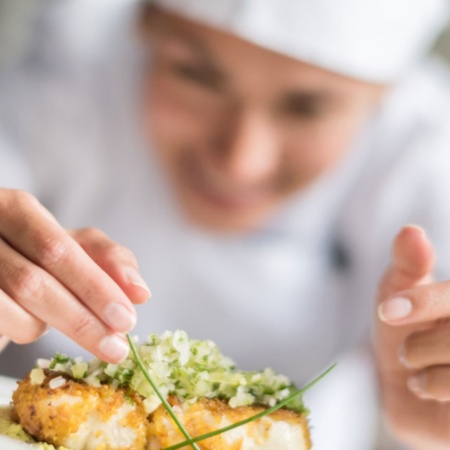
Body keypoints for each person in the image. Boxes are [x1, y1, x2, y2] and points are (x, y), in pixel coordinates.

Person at [1, 0, 450, 448]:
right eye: (197, 76)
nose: (241, 163)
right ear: (144, 28)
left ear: (383, 98)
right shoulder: (71, 78)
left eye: (307, 108)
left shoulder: (424, 152)